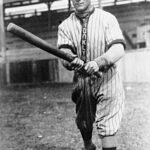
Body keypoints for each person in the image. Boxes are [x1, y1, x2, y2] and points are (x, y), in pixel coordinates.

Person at [57, 0, 126, 150]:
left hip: (107, 77)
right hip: (82, 80)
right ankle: (88, 146)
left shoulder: (107, 18)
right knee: (84, 121)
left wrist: (98, 62)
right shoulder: (65, 26)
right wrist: (69, 60)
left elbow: (119, 48)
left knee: (108, 126)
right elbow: (63, 52)